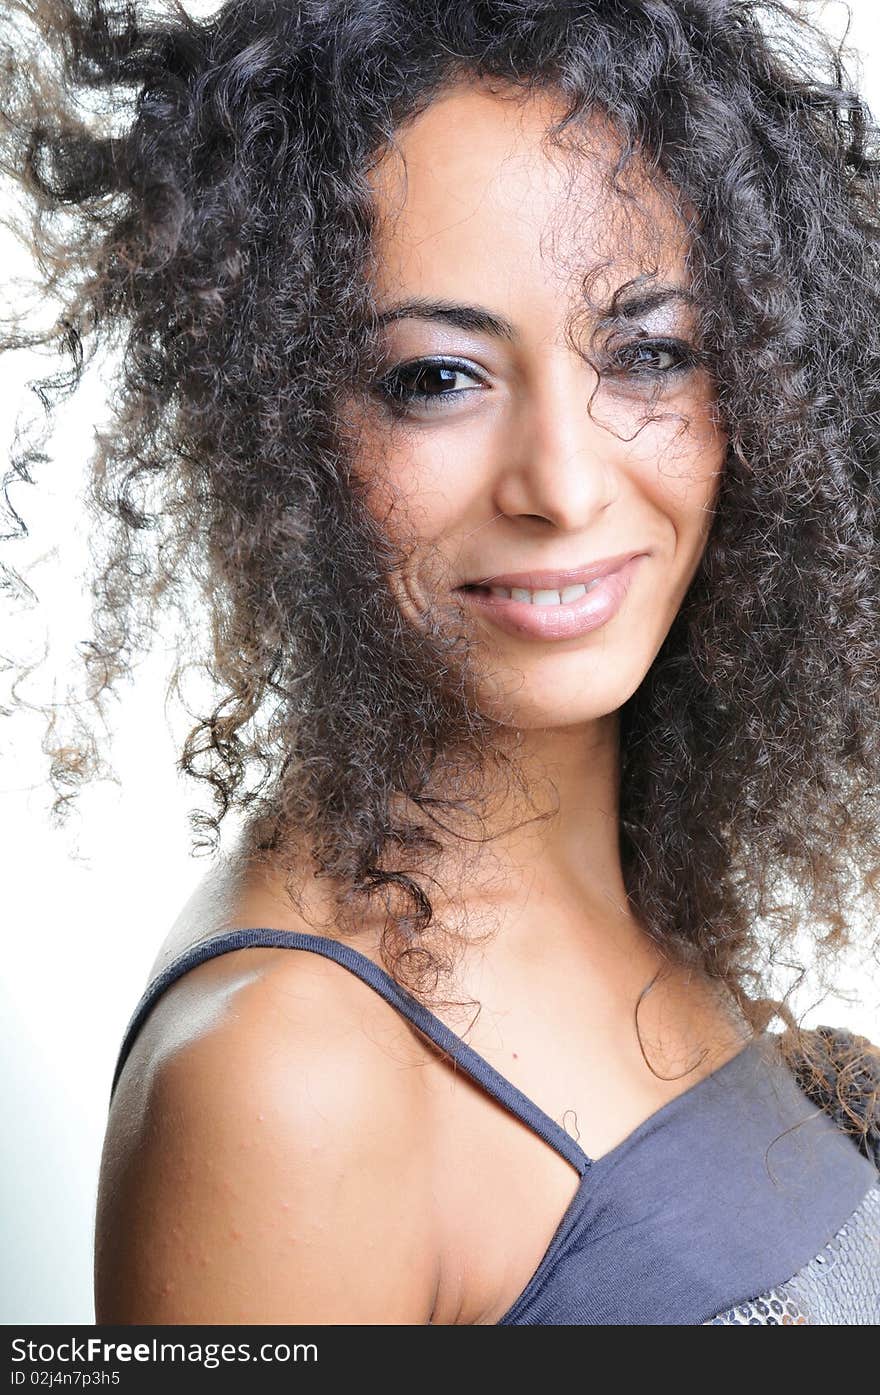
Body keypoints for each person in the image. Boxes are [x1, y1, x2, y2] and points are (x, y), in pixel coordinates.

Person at [2, 0, 878, 1324]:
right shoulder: (290, 1082)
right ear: (278, 423)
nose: (565, 486)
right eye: (437, 379)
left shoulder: (639, 867)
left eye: (647, 351)